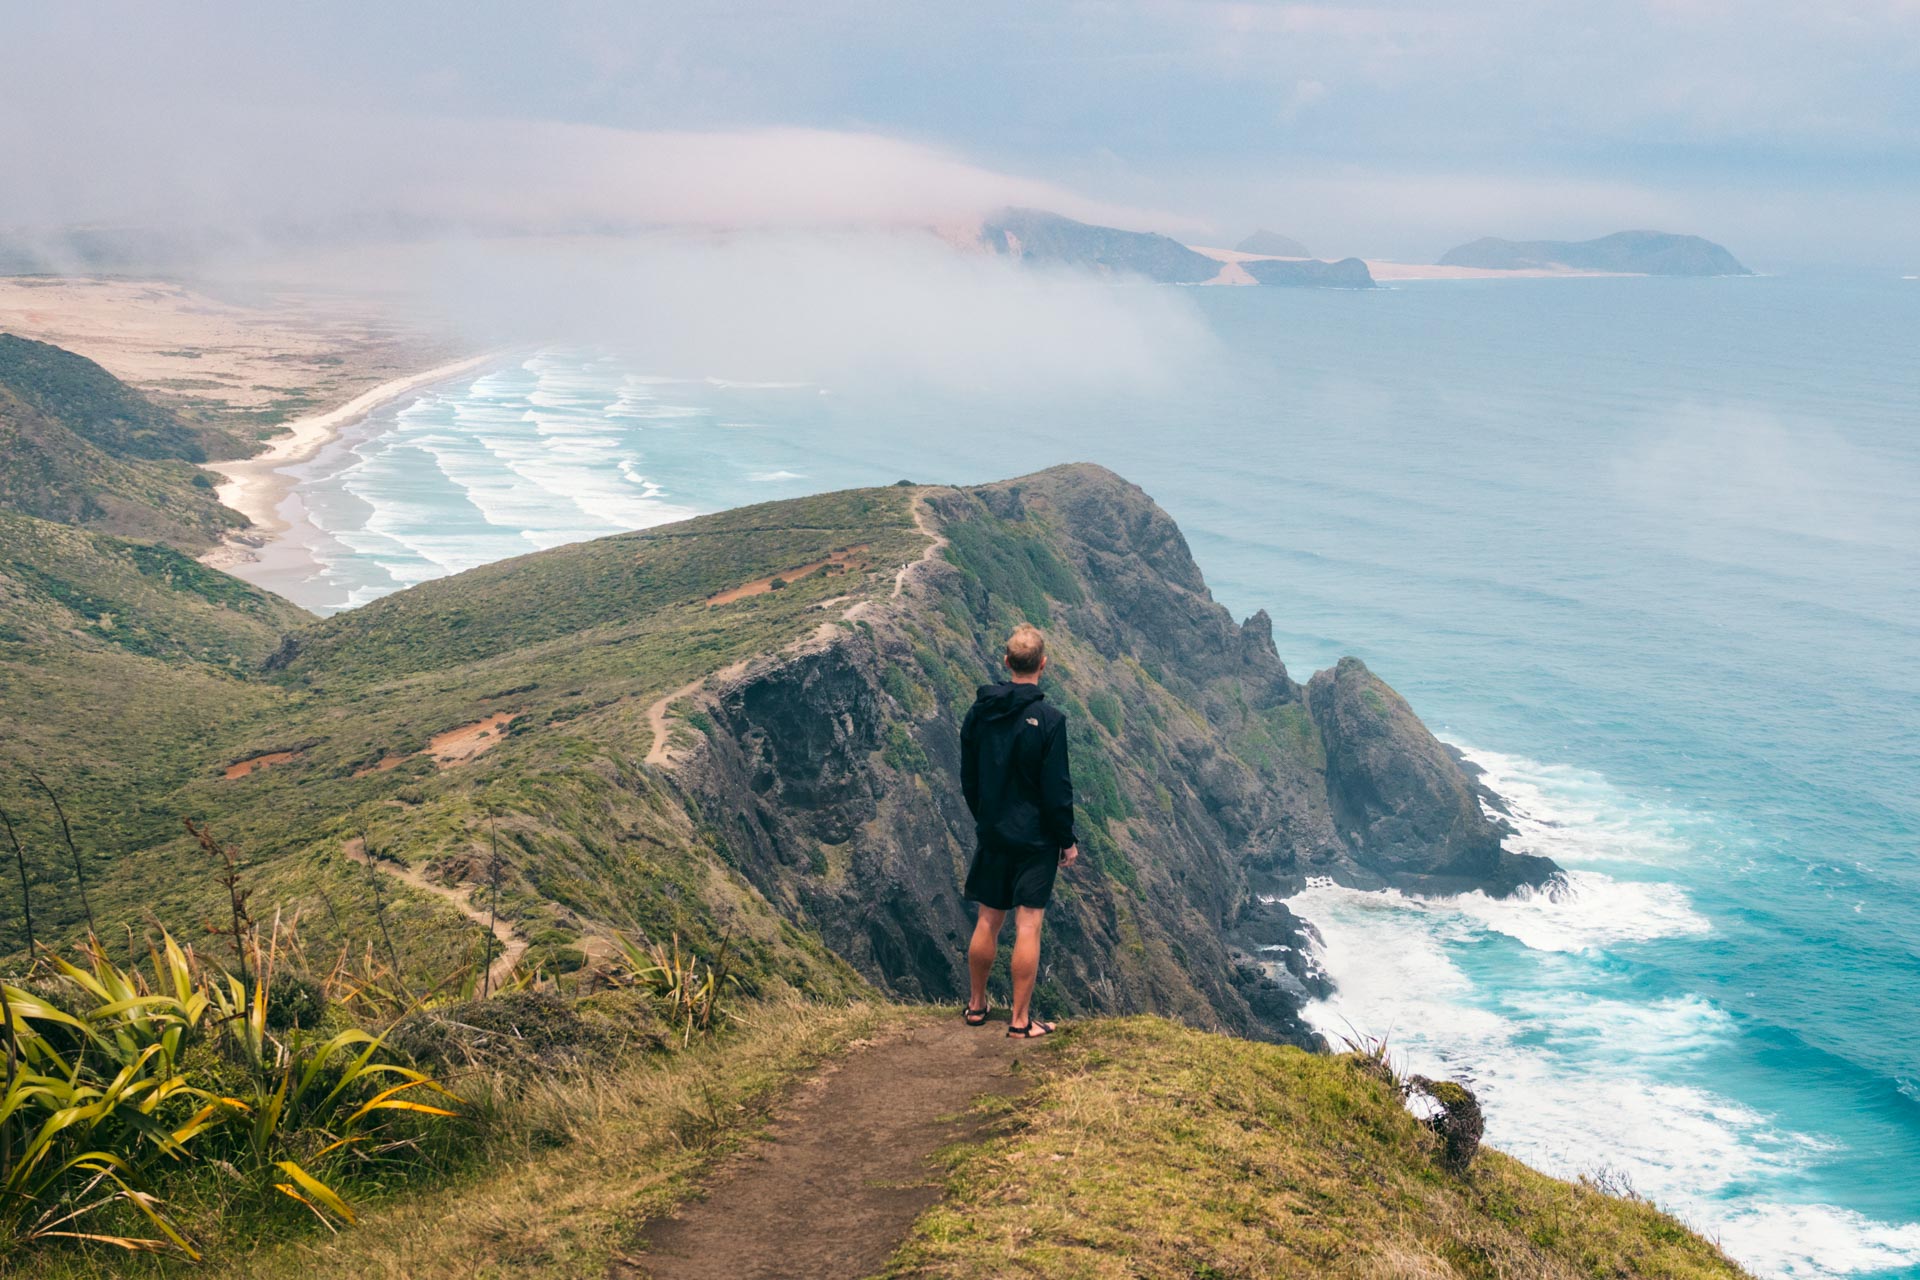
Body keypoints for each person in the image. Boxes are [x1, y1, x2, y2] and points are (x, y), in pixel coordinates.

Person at [959, 623, 1078, 1038]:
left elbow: (968, 776)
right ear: (1043, 665)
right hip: (1035, 839)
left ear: (1007, 661)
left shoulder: (980, 712)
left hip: (993, 831)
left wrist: (986, 816)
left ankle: (976, 1006)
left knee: (988, 920)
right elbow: (1057, 789)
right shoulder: (1050, 720)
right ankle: (1019, 1021)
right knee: (1028, 925)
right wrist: (1066, 840)